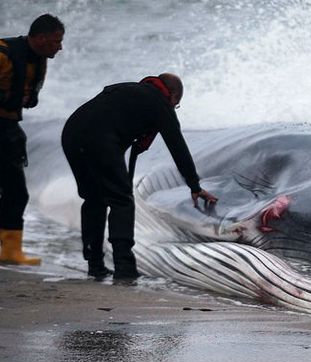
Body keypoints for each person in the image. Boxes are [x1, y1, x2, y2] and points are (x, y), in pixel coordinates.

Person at [61, 73, 218, 280]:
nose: (173, 108)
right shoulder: (160, 103)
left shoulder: (128, 90)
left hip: (72, 133)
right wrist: (194, 186)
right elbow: (177, 146)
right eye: (176, 104)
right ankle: (124, 268)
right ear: (172, 95)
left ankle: (95, 264)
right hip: (99, 140)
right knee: (121, 201)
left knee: (94, 199)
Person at [0, 14, 64, 265]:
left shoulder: (39, 60)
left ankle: (10, 251)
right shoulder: (3, 55)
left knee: (16, 192)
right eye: (56, 41)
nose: (60, 47)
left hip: (9, 128)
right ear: (40, 38)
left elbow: (28, 95)